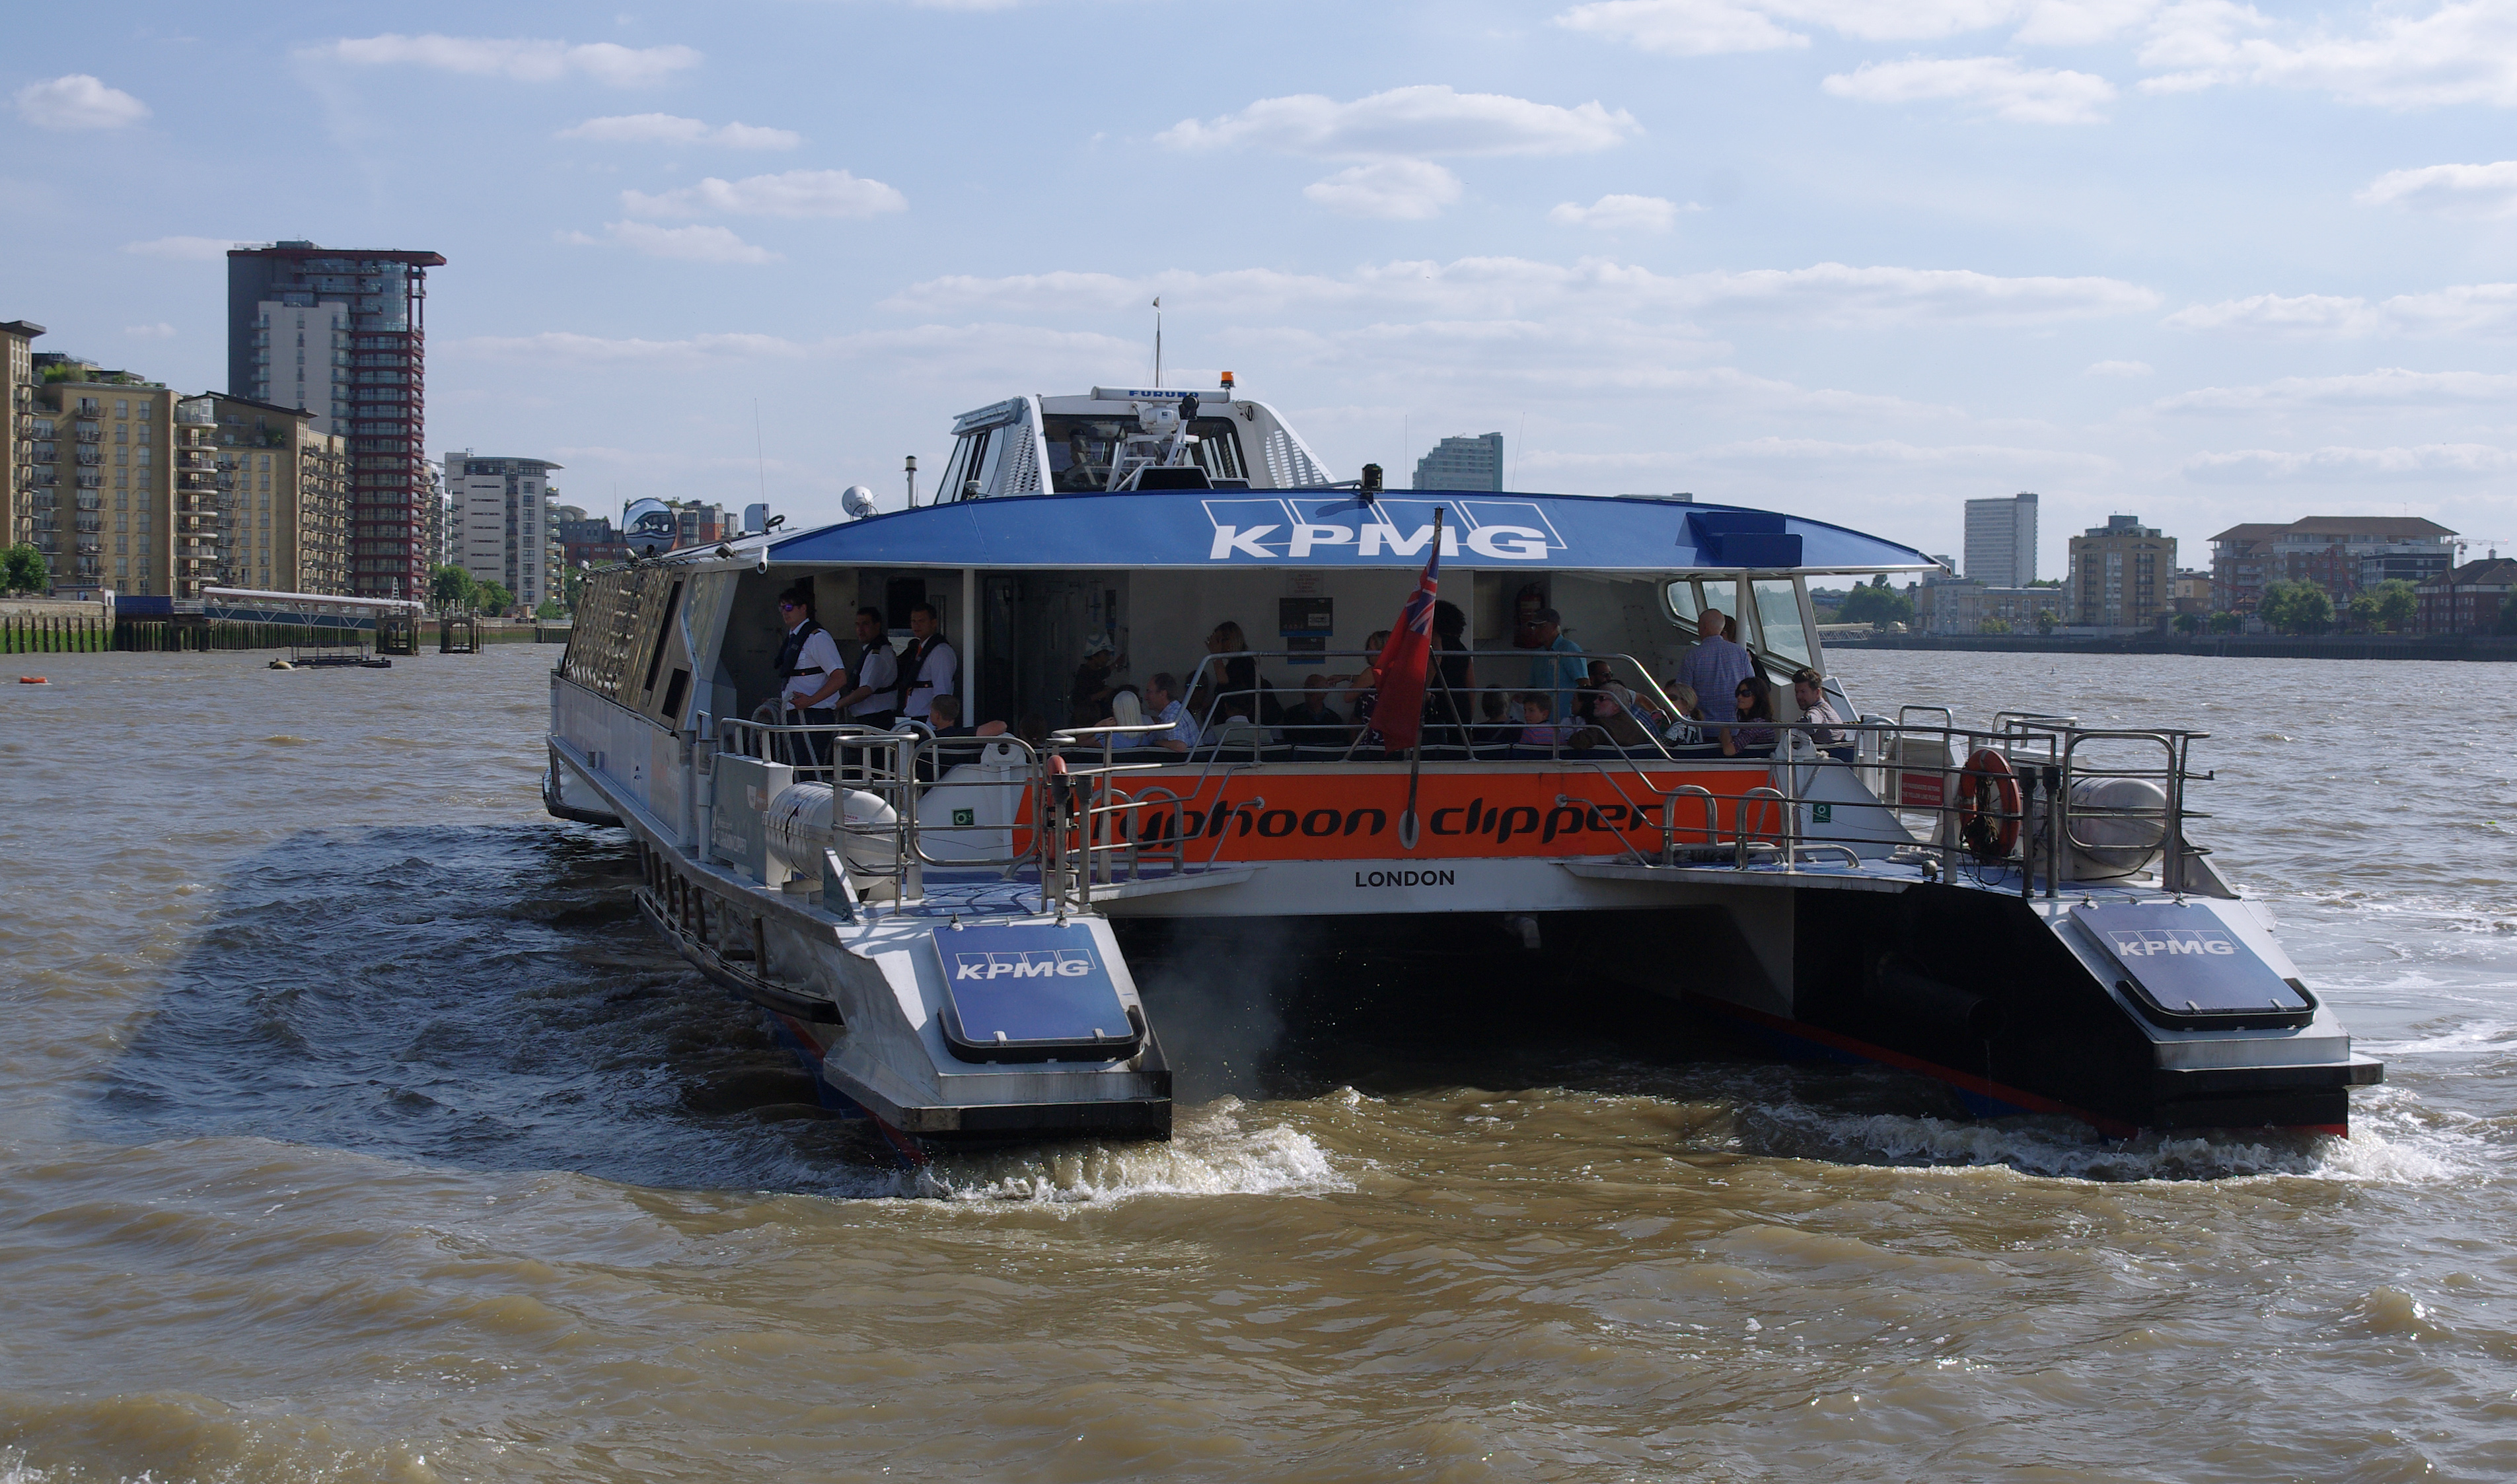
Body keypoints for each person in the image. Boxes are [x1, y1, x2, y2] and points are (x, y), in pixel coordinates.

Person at [768, 584, 847, 764]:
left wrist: (810, 700)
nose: (784, 612)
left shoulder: (817, 638)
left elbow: (840, 677)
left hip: (814, 716)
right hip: (795, 715)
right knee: (796, 768)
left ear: (803, 608)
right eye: (781, 607)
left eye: (789, 607)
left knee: (808, 769)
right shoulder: (793, 638)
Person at [1677, 608, 1756, 724]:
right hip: (1735, 725)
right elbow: (1752, 685)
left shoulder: (1692, 656)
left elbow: (1683, 692)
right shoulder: (1740, 653)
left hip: (1704, 726)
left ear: (1704, 627)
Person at [835, 606, 899, 730]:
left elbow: (866, 690)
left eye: (865, 624)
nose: (860, 629)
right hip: (870, 719)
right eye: (858, 625)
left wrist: (837, 705)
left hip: (875, 720)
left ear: (877, 626)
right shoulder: (873, 651)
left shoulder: (877, 656)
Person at [895, 602, 956, 721]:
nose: (916, 625)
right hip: (912, 718)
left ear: (933, 623)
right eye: (914, 621)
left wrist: (931, 725)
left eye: (921, 621)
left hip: (926, 721)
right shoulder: (920, 650)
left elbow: (942, 693)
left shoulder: (940, 652)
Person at [1428, 598, 1477, 746]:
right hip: (1461, 711)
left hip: (1439, 707)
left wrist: (1425, 689)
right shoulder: (1462, 649)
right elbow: (1472, 689)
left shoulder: (1436, 641)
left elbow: (1437, 656)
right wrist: (1468, 723)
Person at [1524, 608, 1585, 722]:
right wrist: (1522, 698)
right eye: (1534, 627)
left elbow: (1584, 683)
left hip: (1565, 721)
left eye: (1541, 626)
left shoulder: (1569, 649)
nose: (1536, 631)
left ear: (1554, 626)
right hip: (1542, 723)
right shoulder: (1538, 654)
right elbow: (1532, 687)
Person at [1790, 666, 1856, 762]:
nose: (1798, 696)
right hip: (1841, 759)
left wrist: (1790, 730)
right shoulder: (1828, 709)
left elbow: (1810, 723)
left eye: (1803, 692)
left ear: (1817, 692)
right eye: (1797, 692)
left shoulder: (1817, 711)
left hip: (1827, 762)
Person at [1069, 639, 1126, 726]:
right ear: (1094, 656)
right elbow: (1078, 700)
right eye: (1105, 654)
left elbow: (1101, 674)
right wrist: (1103, 693)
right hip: (1087, 722)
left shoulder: (1093, 672)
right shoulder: (1084, 675)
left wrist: (1116, 664)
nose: (1108, 658)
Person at [1280, 674, 1346, 748]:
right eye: (1306, 687)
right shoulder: (1291, 714)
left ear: (1325, 692)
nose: (1309, 691)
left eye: (1313, 688)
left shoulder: (1335, 719)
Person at [1143, 672, 1199, 754]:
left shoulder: (1172, 716)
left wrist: (1158, 743)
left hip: (1190, 764)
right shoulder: (1176, 710)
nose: (1145, 697)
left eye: (1149, 692)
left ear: (1163, 694)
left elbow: (1180, 746)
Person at [1723, 677, 1778, 758]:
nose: (1739, 697)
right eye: (1738, 693)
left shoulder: (1756, 724)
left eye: (1746, 693)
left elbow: (1729, 751)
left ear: (1758, 696)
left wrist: (1725, 730)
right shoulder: (1762, 722)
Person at [926, 694, 1007, 739]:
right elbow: (1001, 726)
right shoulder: (963, 737)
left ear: (937, 715)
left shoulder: (926, 740)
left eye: (931, 711)